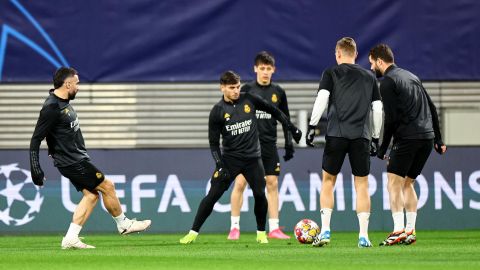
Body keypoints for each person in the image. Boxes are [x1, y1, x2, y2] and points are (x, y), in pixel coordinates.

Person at [29, 67, 151, 249]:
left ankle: (71, 238)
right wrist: (35, 168)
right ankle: (124, 224)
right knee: (107, 186)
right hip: (72, 161)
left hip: (74, 159)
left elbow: (56, 133)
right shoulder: (51, 107)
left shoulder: (63, 102)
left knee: (91, 195)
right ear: (67, 83)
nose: (78, 87)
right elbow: (36, 138)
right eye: (77, 83)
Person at [179, 71, 302, 244]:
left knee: (260, 195)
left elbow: (275, 111)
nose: (236, 91)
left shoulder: (249, 99)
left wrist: (292, 127)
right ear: (222, 88)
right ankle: (192, 233)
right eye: (232, 88)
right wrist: (219, 165)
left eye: (237, 87)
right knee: (212, 196)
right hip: (230, 161)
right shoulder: (217, 112)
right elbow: (214, 143)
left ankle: (261, 234)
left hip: (253, 160)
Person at [306, 37, 383, 248]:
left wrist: (312, 126)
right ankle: (364, 236)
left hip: (336, 135)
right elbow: (377, 109)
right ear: (355, 54)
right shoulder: (369, 75)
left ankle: (326, 231)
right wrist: (375, 136)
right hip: (361, 136)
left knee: (328, 181)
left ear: (338, 54)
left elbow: (322, 99)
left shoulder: (330, 73)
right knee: (362, 185)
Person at [368, 44, 447, 246]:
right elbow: (432, 107)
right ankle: (410, 230)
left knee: (393, 183)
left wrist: (382, 148)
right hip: (426, 138)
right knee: (408, 183)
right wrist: (438, 139)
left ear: (379, 61)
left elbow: (392, 119)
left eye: (371, 63)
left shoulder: (387, 82)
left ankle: (398, 230)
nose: (371, 68)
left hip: (408, 138)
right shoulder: (412, 76)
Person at [227, 51, 294, 240]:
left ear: (274, 70)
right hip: (247, 146)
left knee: (272, 183)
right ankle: (234, 227)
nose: (265, 72)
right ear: (255, 69)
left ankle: (274, 228)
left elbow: (285, 120)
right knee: (240, 182)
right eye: (262, 68)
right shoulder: (246, 91)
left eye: (268, 68)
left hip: (269, 145)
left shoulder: (278, 92)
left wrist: (289, 144)